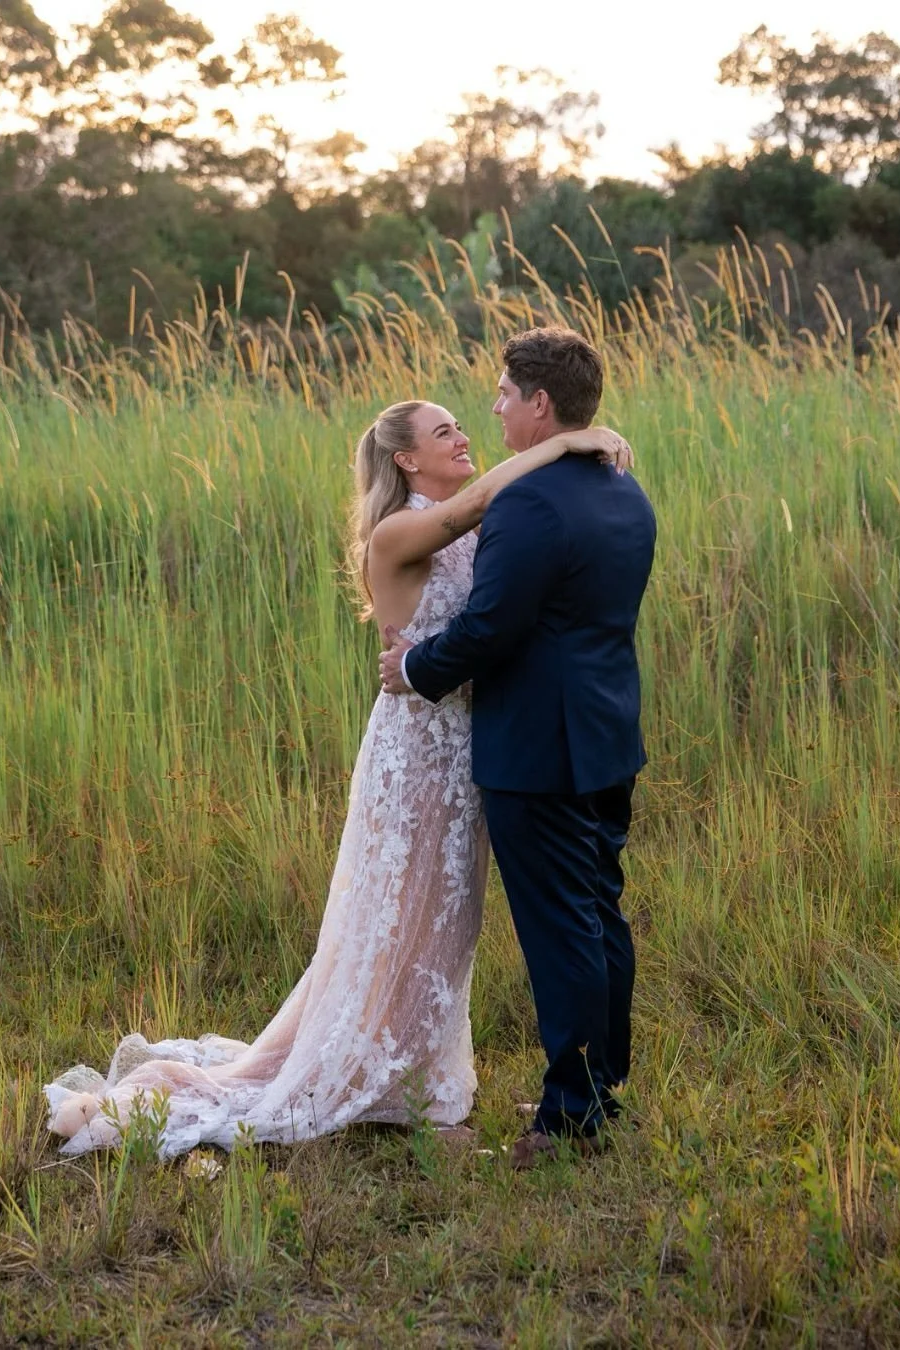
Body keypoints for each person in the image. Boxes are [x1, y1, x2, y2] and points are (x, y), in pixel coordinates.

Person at [44, 399, 631, 1158]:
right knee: (401, 919)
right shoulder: (401, 531)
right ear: (405, 462)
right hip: (417, 753)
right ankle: (380, 1086)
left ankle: (414, 1077)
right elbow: (492, 495)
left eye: (463, 425)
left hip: (470, 750)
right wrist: (579, 439)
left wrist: (582, 454)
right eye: (444, 431)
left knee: (445, 925)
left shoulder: (470, 521)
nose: (464, 437)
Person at [381, 327, 657, 1169]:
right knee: (598, 914)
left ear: (540, 404)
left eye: (502, 393)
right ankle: (599, 1088)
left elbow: (491, 628)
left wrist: (415, 667)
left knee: (560, 930)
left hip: (541, 747)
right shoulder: (623, 490)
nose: (492, 407)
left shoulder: (530, 504)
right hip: (606, 733)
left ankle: (572, 1117)